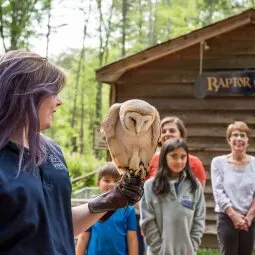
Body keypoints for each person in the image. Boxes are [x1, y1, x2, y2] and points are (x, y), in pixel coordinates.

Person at [0, 50, 143, 254]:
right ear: (28, 94)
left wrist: (109, 200)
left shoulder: (52, 151)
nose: (59, 101)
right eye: (53, 93)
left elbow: (59, 225)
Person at [140, 139, 205, 255]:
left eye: (183, 157)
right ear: (164, 157)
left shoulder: (194, 186)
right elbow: (147, 221)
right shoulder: (150, 186)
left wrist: (192, 246)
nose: (179, 161)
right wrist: (159, 249)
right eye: (174, 156)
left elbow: (199, 219)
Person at [211, 121, 255, 255]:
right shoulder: (218, 162)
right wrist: (234, 216)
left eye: (243, 135)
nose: (239, 139)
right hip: (226, 217)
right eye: (235, 135)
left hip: (250, 219)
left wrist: (249, 217)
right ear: (229, 140)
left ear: (248, 141)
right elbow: (218, 192)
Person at [76, 162, 138, 255]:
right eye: (107, 181)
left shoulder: (128, 209)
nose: (112, 184)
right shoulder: (91, 208)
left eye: (117, 181)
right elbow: (83, 237)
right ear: (98, 183)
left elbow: (132, 239)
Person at [147, 116, 206, 189]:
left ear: (181, 134)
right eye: (163, 131)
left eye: (172, 131)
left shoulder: (195, 162)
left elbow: (199, 191)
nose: (167, 134)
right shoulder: (149, 160)